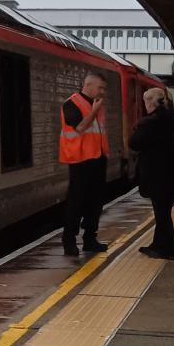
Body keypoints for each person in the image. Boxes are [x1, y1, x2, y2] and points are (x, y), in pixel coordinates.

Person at [130, 87, 174, 260]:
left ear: (151, 102)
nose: (145, 105)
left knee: (162, 214)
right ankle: (158, 244)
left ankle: (170, 250)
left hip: (157, 176)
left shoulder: (150, 122)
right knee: (164, 211)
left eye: (146, 101)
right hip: (173, 174)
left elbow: (134, 143)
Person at [59, 71, 109, 256]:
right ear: (88, 86)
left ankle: (90, 239)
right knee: (76, 201)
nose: (102, 91)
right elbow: (79, 127)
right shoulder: (72, 103)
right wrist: (94, 111)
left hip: (98, 158)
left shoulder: (97, 105)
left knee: (95, 201)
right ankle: (69, 240)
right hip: (80, 160)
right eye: (100, 87)